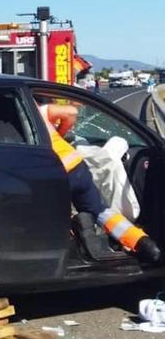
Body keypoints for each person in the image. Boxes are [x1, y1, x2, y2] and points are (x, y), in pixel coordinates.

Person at [38, 102, 161, 263]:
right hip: (76, 166)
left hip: (53, 173)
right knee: (101, 212)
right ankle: (144, 244)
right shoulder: (37, 111)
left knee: (53, 214)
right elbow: (71, 112)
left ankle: (73, 249)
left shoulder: (21, 113)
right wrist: (59, 133)